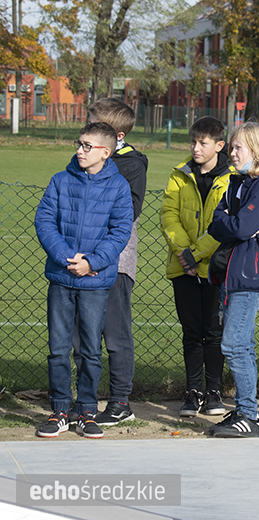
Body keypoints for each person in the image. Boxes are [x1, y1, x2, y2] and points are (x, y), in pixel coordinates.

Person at [34, 122, 133, 438]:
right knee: (58, 349)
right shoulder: (60, 181)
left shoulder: (118, 187)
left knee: (90, 350)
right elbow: (45, 222)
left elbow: (120, 231)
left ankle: (87, 411)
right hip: (62, 278)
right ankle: (60, 409)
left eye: (87, 146)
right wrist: (68, 259)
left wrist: (92, 261)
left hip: (96, 282)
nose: (79, 150)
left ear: (105, 152)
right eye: (79, 144)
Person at [70, 98, 148, 427]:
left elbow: (125, 213)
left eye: (94, 129)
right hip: (79, 261)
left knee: (115, 335)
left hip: (113, 264)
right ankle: (84, 400)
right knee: (80, 336)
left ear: (115, 137)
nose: (85, 138)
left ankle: (120, 401)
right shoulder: (80, 161)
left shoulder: (131, 165)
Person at [206, 122, 259, 438]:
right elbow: (220, 221)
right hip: (233, 272)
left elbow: (238, 228)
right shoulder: (239, 182)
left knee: (234, 343)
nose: (232, 152)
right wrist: (228, 221)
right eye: (232, 147)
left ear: (257, 149)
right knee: (243, 343)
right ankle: (244, 409)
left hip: (250, 274)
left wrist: (230, 222)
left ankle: (250, 416)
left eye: (238, 147)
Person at [161, 116, 234, 417]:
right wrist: (184, 254)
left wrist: (198, 255)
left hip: (216, 270)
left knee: (214, 333)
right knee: (191, 332)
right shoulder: (180, 175)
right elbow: (169, 215)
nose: (195, 148)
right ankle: (193, 392)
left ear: (219, 145)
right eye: (192, 141)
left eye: (202, 143)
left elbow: (227, 224)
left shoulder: (231, 177)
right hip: (184, 269)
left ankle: (214, 392)